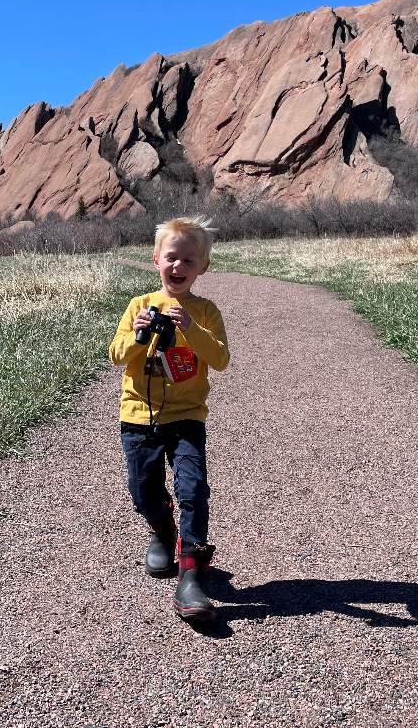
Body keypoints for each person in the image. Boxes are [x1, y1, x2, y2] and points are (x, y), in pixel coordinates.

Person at [108, 216, 230, 622]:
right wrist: (137, 334)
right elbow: (116, 356)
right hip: (138, 416)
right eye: (171, 258)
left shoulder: (206, 312)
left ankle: (191, 572)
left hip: (186, 416)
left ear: (202, 268)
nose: (178, 267)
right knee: (143, 491)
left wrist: (191, 329)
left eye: (188, 261)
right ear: (156, 259)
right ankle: (163, 532)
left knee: (193, 488)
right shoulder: (138, 306)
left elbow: (221, 360)